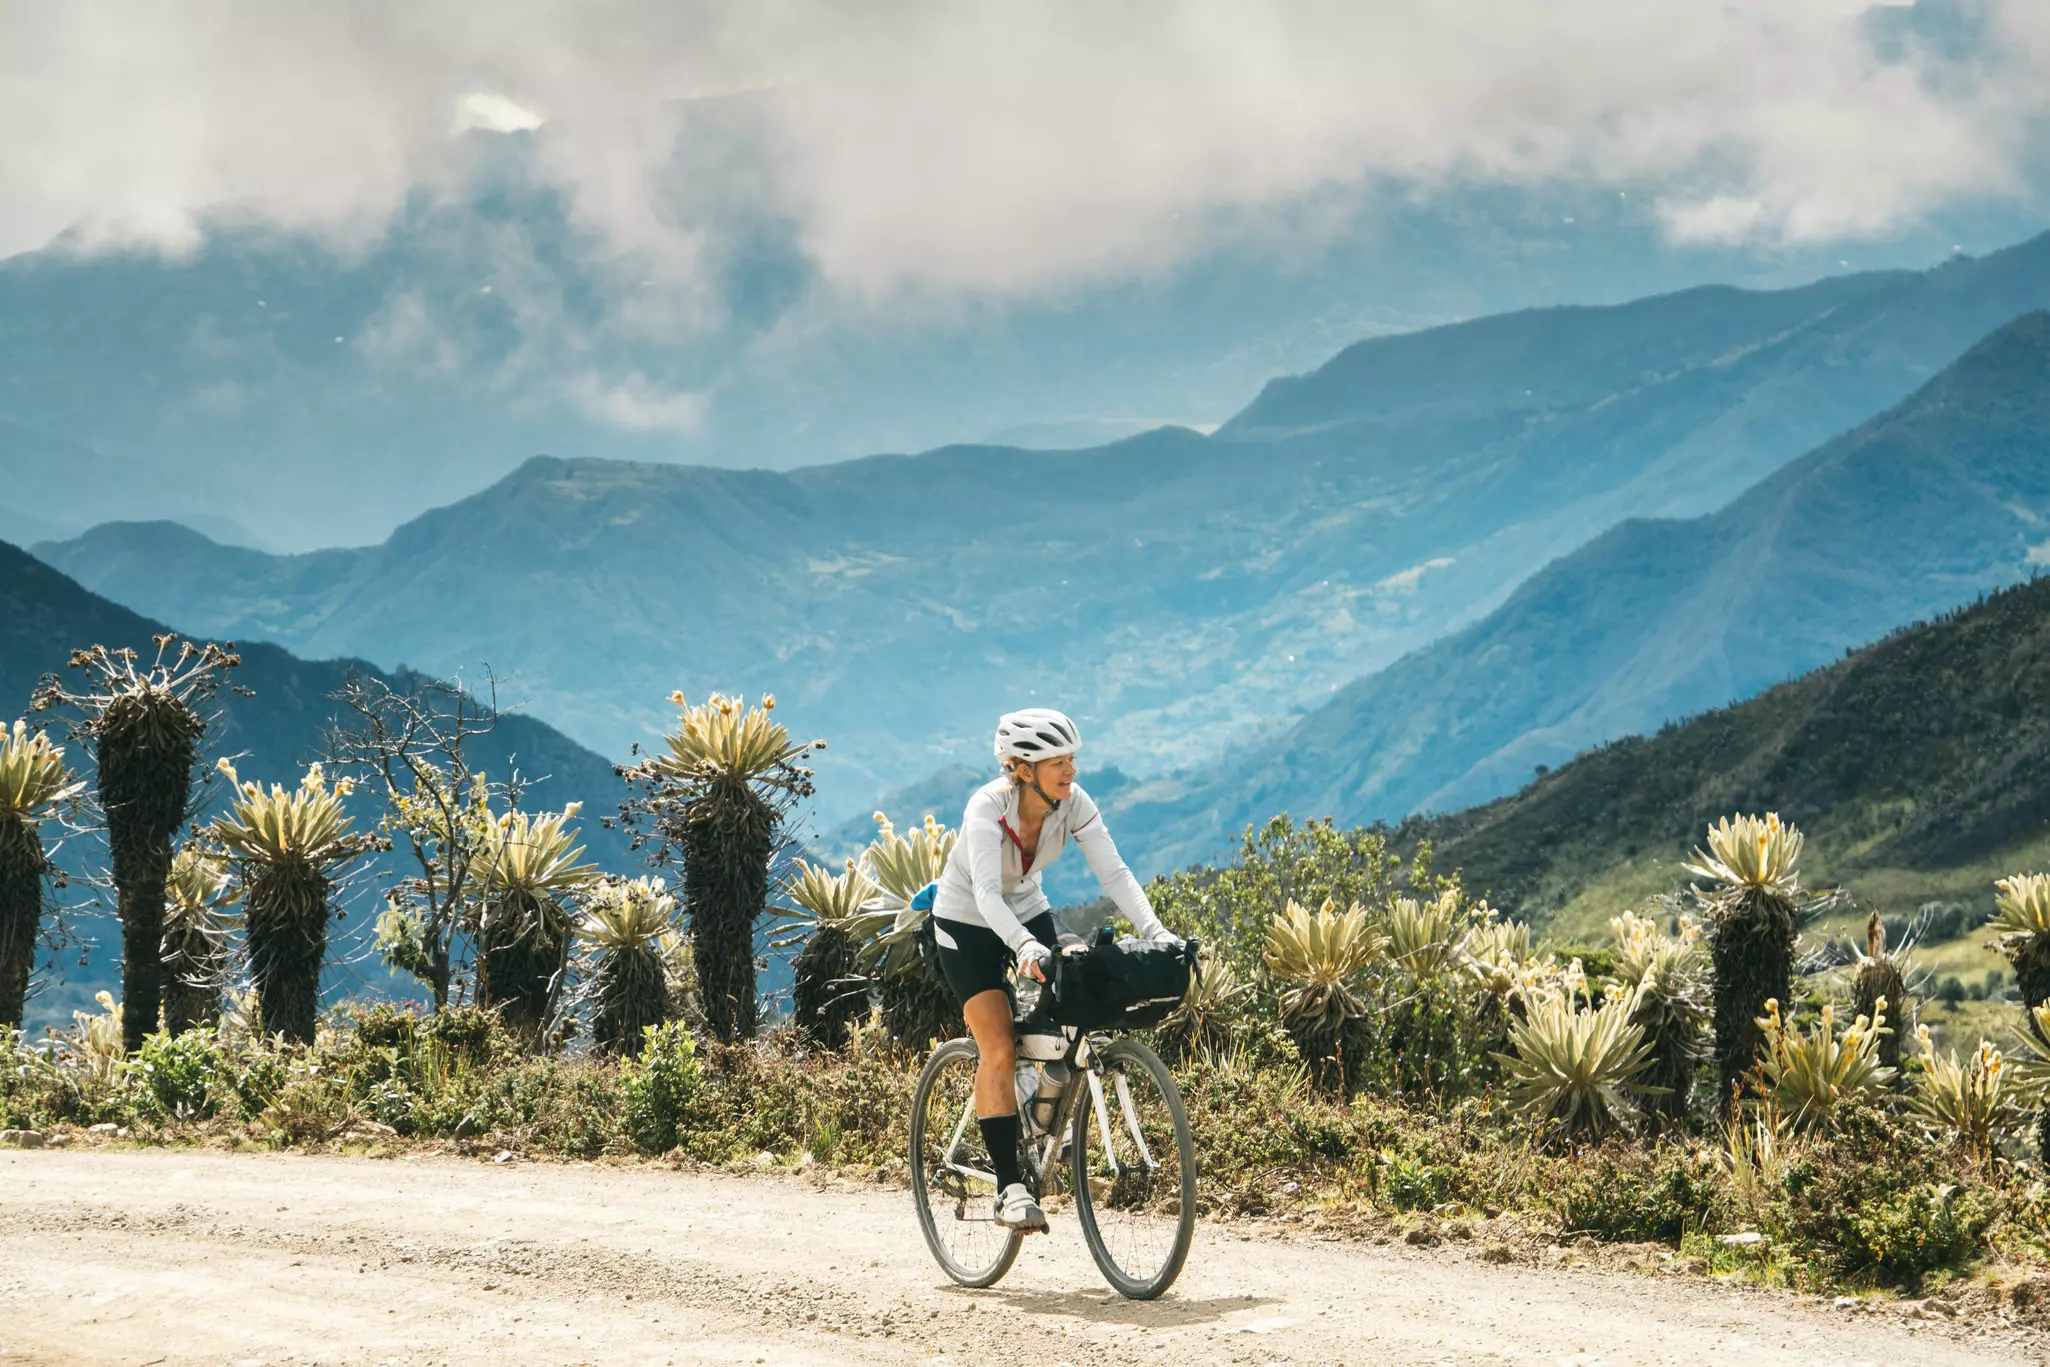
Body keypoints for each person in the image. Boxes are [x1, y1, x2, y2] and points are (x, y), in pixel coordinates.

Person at [930, 707, 1181, 1233]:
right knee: (997, 1044)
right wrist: (1022, 947)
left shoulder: (1074, 804)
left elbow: (1114, 873)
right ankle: (1009, 1188)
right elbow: (984, 893)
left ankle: (1045, 1100)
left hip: (1026, 908)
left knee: (1077, 976)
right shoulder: (986, 809)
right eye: (1057, 763)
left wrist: (1157, 933)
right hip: (966, 921)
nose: (1070, 771)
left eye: (1071, 760)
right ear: (1023, 769)